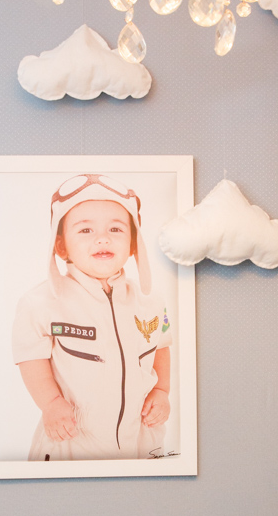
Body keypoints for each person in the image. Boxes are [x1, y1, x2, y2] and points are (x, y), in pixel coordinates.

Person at [12, 173, 172, 461]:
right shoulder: (41, 304)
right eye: (85, 230)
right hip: (70, 442)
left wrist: (161, 390)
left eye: (116, 229)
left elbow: (161, 347)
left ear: (133, 244)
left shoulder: (151, 303)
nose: (102, 238)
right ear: (61, 246)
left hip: (139, 442)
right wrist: (50, 403)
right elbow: (30, 357)